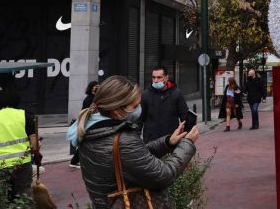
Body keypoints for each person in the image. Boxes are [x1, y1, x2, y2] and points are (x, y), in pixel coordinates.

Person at [67, 75, 198, 209]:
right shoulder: (122, 139)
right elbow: (163, 175)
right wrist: (187, 143)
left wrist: (168, 142)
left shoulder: (88, 131)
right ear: (116, 109)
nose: (138, 110)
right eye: (134, 106)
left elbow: (136, 157)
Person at [0, 88, 39, 202]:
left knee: (3, 197)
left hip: (0, 165)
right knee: (24, 195)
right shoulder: (25, 115)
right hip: (22, 163)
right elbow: (34, 144)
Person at [140, 65, 189, 143]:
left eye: (159, 77)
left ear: (166, 78)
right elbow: (139, 119)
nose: (155, 80)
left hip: (171, 139)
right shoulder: (145, 95)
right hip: (151, 140)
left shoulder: (176, 93)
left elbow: (184, 117)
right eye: (153, 77)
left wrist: (187, 138)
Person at [70, 81, 99, 168]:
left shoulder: (97, 98)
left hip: (94, 123)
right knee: (85, 143)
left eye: (97, 86)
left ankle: (78, 161)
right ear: (91, 88)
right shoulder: (88, 99)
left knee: (89, 143)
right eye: (94, 86)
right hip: (88, 123)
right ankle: (74, 161)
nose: (96, 88)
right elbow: (84, 112)